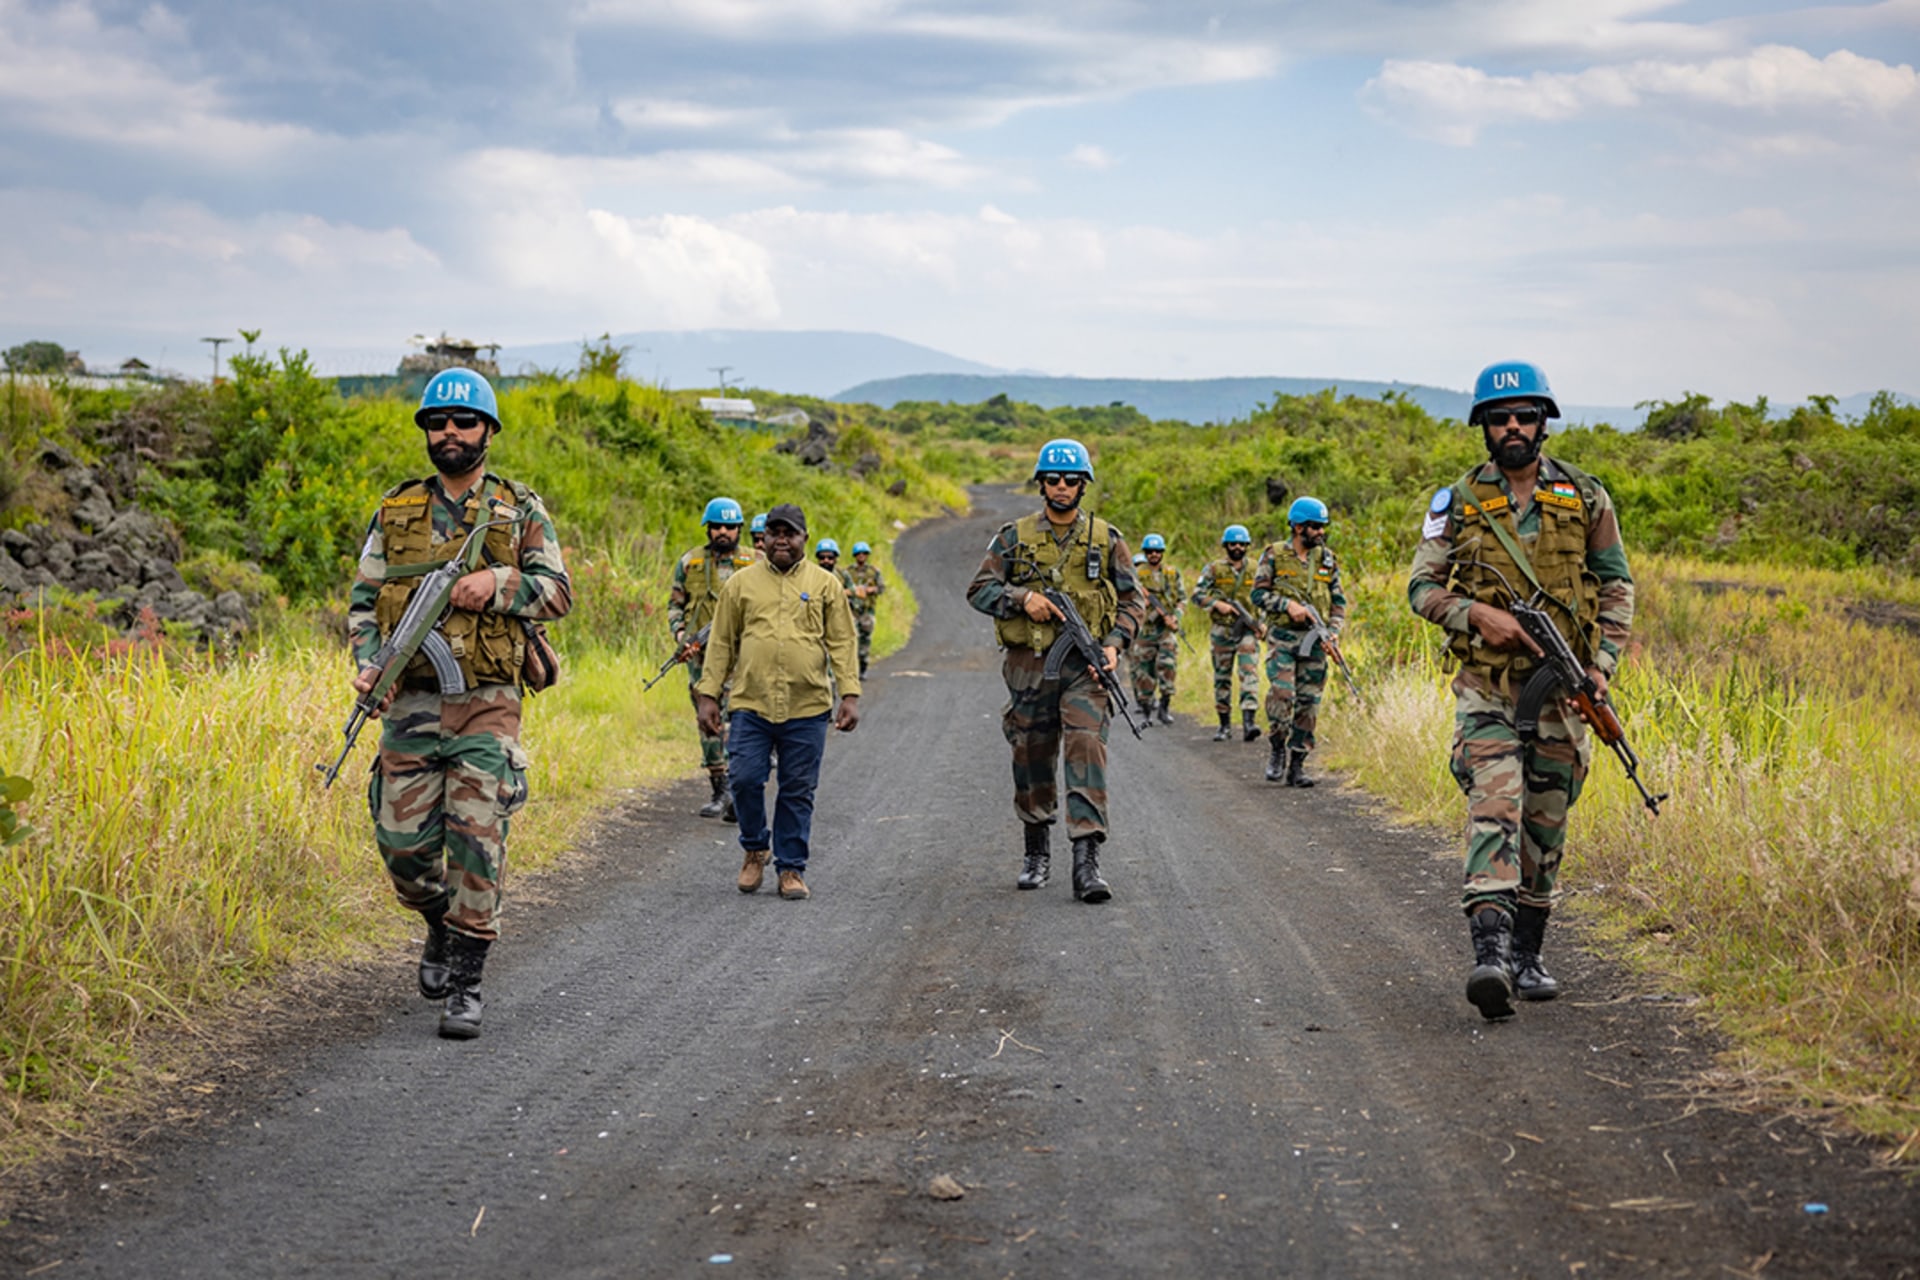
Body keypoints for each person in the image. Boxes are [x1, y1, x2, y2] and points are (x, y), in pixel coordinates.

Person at [348, 368, 572, 1039]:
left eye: (463, 421)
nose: (449, 432)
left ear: (488, 431)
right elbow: (364, 603)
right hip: (410, 703)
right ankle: (438, 928)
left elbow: (557, 593)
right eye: (437, 422)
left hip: (486, 705)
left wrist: (498, 582)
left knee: (477, 840)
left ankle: (468, 983)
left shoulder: (518, 510)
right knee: (404, 853)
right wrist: (368, 666)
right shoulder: (395, 511)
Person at [1408, 360, 1636, 1021]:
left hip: (1564, 691)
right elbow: (1422, 587)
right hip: (1487, 688)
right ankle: (1491, 957)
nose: (1514, 427)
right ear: (1484, 426)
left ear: (1543, 422)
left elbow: (1617, 585)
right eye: (1501, 417)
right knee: (1494, 807)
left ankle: (1530, 952)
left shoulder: (1586, 497)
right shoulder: (1455, 500)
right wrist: (1476, 615)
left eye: (1526, 416)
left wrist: (1605, 666)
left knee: (1546, 820)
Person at [966, 438, 1144, 902]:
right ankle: (1035, 850)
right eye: (1053, 480)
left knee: (1086, 747)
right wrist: (1023, 599)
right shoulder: (1014, 537)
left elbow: (1133, 600)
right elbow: (979, 589)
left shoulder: (1107, 539)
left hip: (1086, 667)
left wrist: (1114, 643)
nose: (1061, 487)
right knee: (1031, 754)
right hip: (1029, 668)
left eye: (1070, 480)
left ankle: (1086, 862)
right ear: (1041, 484)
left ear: (1083, 485)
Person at [696, 504, 861, 900]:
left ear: (804, 537)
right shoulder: (741, 584)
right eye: (774, 532)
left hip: (807, 706)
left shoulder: (825, 584)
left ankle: (791, 869)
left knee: (797, 789)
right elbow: (721, 642)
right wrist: (708, 694)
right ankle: (755, 848)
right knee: (746, 779)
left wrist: (850, 693)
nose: (782, 539)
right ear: (764, 538)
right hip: (751, 702)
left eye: (790, 533)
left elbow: (841, 640)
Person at [668, 498, 755, 820]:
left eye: (729, 527)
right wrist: (680, 635)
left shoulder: (755, 562)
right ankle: (719, 789)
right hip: (701, 656)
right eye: (717, 526)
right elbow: (675, 605)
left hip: (743, 656)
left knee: (739, 720)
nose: (723, 532)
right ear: (708, 527)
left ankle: (737, 788)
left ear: (738, 529)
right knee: (708, 722)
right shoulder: (690, 562)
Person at [1252, 497, 1348, 786]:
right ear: (1297, 527)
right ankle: (1277, 748)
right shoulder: (1273, 555)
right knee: (1283, 696)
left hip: (1315, 642)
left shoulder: (1327, 560)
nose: (1320, 532)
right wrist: (1286, 606)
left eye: (1322, 527)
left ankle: (1297, 765)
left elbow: (1339, 602)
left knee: (1309, 704)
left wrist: (1333, 631)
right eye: (1315, 527)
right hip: (1282, 640)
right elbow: (1257, 595)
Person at [1191, 524, 1263, 742]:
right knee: (1222, 677)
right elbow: (1197, 594)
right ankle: (1224, 725)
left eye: (1242, 544)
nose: (1237, 548)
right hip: (1222, 629)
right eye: (1233, 544)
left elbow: (1266, 596)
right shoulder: (1214, 569)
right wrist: (1216, 604)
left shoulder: (1256, 568)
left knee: (1249, 673)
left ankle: (1249, 722)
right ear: (1226, 546)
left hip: (1247, 629)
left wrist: (1263, 623)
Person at [1131, 534, 1184, 727]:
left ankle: (1164, 707)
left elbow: (1182, 599)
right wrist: (1141, 604)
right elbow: (1126, 599)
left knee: (1168, 667)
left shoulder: (1172, 573)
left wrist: (1175, 618)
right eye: (1150, 552)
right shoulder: (1135, 574)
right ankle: (1146, 711)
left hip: (1166, 630)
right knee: (1144, 673)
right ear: (1145, 553)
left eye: (1157, 551)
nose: (1154, 555)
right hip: (1145, 632)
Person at [844, 541, 887, 678]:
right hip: (852, 610)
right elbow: (840, 588)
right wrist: (851, 592)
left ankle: (863, 666)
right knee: (852, 639)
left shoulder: (873, 572)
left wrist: (869, 590)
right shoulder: (848, 572)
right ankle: (852, 668)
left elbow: (881, 588)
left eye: (864, 554)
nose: (861, 556)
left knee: (865, 638)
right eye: (859, 554)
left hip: (867, 611)